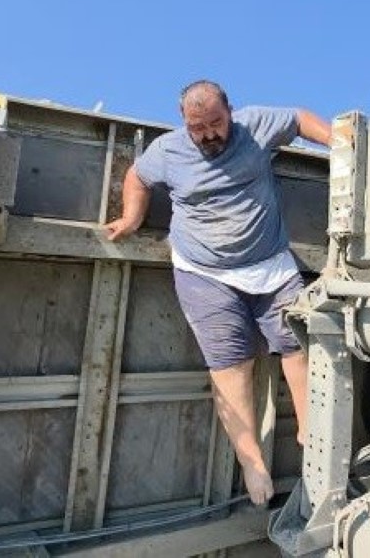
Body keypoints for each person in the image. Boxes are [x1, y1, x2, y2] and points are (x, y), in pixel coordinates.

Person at [104, 79, 331, 506]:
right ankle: (251, 460)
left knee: (298, 344)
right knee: (231, 363)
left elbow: (299, 119)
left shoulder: (255, 125)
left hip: (271, 265)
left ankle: (309, 431)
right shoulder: (168, 150)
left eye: (215, 123)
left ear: (230, 112)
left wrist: (338, 142)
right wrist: (132, 217)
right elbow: (137, 175)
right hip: (203, 272)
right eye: (198, 128)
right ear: (183, 122)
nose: (209, 134)